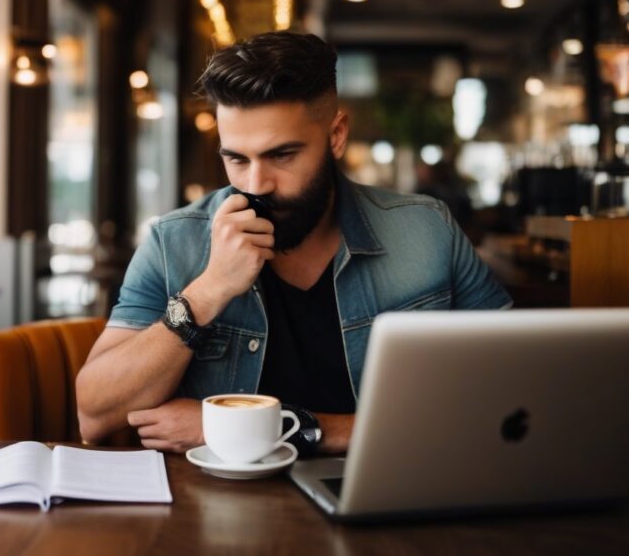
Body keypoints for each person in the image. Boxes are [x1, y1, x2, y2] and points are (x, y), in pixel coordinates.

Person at [75, 31, 512, 456]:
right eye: (236, 158)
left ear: (336, 135)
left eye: (282, 155)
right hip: (217, 515)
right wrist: (208, 291)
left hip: (390, 497)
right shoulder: (175, 241)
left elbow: (509, 396)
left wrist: (275, 428)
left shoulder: (426, 230)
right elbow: (94, 414)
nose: (255, 183)